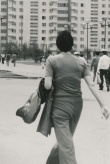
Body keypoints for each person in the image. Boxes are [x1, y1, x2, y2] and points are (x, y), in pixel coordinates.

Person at [44, 30, 109, 164]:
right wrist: (102, 105)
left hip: (60, 107)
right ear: (72, 45)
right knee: (65, 139)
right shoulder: (81, 61)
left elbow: (47, 86)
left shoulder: (52, 60)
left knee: (66, 143)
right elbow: (91, 85)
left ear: (57, 46)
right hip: (76, 107)